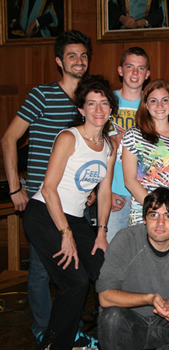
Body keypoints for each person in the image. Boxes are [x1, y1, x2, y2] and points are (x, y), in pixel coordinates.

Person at [0, 29, 94, 345]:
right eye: (72, 55)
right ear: (58, 61)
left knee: (74, 270)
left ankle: (68, 327)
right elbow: (9, 138)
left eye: (83, 55)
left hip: (78, 203)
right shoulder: (41, 95)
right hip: (45, 202)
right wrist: (16, 188)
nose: (79, 61)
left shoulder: (88, 101)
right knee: (42, 272)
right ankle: (44, 329)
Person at [23, 74, 117, 349]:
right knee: (75, 283)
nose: (98, 110)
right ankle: (54, 343)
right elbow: (49, 188)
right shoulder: (68, 137)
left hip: (75, 219)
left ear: (111, 109)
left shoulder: (109, 145)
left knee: (105, 273)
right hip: (44, 214)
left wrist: (101, 232)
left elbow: (104, 192)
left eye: (103, 103)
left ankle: (109, 336)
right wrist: (65, 233)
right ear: (81, 110)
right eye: (91, 104)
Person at [97, 187, 169, 349]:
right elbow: (105, 297)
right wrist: (149, 299)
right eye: (154, 215)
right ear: (145, 219)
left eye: (168, 216)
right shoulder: (126, 239)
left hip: (165, 323)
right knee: (112, 317)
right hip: (129, 321)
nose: (160, 223)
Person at [122, 79, 169, 226]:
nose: (160, 105)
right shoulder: (133, 135)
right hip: (145, 214)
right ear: (146, 105)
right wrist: (156, 212)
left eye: (165, 100)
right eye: (153, 100)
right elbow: (130, 181)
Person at [106, 47, 150, 243]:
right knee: (113, 259)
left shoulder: (153, 105)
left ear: (147, 74)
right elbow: (93, 150)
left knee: (145, 260)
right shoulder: (105, 102)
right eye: (129, 67)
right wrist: (104, 191)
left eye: (140, 68)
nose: (135, 73)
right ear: (120, 70)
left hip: (145, 193)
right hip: (115, 194)